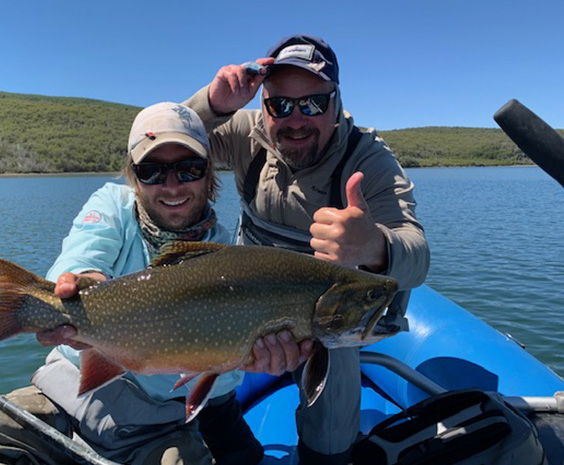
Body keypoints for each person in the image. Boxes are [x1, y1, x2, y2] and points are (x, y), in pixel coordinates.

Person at [0, 102, 264, 465]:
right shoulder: (113, 205)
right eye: (152, 171)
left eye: (189, 168)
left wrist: (249, 355)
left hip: (157, 426)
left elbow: (216, 383)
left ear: (209, 173)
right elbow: (81, 259)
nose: (172, 185)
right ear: (133, 176)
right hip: (63, 397)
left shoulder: (227, 256)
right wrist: (85, 288)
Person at [182, 34, 430, 464]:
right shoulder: (245, 134)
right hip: (251, 300)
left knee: (332, 430)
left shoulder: (368, 160)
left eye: (313, 104)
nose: (296, 119)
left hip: (332, 315)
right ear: (263, 107)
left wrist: (374, 244)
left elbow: (418, 256)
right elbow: (166, 140)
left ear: (336, 102)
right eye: (280, 105)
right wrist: (214, 104)